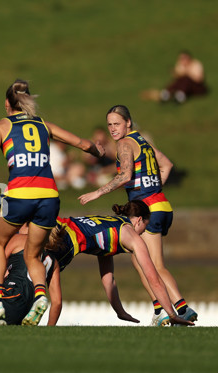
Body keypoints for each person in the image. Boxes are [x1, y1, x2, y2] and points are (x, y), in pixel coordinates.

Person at [0, 79, 105, 326]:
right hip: (49, 197)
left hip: (20, 194)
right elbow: (83, 144)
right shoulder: (44, 125)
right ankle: (41, 296)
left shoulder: (0, 126)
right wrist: (98, 152)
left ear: (7, 104)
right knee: (34, 254)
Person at [0, 201, 193, 327]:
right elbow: (152, 275)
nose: (144, 233)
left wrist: (119, 311)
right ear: (139, 221)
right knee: (0, 273)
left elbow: (108, 278)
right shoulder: (131, 234)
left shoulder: (110, 229)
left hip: (55, 227)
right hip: (60, 244)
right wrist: (171, 312)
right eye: (146, 227)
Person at [79, 105, 197, 325]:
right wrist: (153, 189)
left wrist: (97, 192)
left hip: (148, 210)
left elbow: (125, 175)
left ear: (128, 123)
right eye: (110, 125)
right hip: (161, 205)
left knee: (151, 264)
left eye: (117, 124)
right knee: (139, 258)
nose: (113, 129)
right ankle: (168, 308)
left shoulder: (124, 144)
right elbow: (167, 165)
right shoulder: (143, 142)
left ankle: (175, 308)